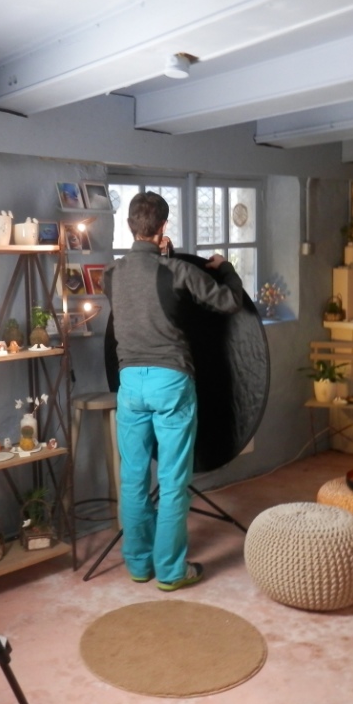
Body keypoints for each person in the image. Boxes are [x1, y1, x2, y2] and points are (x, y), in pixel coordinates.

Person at [102, 191, 243, 591]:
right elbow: (229, 302)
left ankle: (139, 564)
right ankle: (171, 571)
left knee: (133, 479)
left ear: (130, 225)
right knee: (173, 480)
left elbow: (143, 298)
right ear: (163, 226)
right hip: (170, 383)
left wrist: (162, 256)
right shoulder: (178, 272)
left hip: (130, 384)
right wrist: (225, 267)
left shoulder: (110, 275)